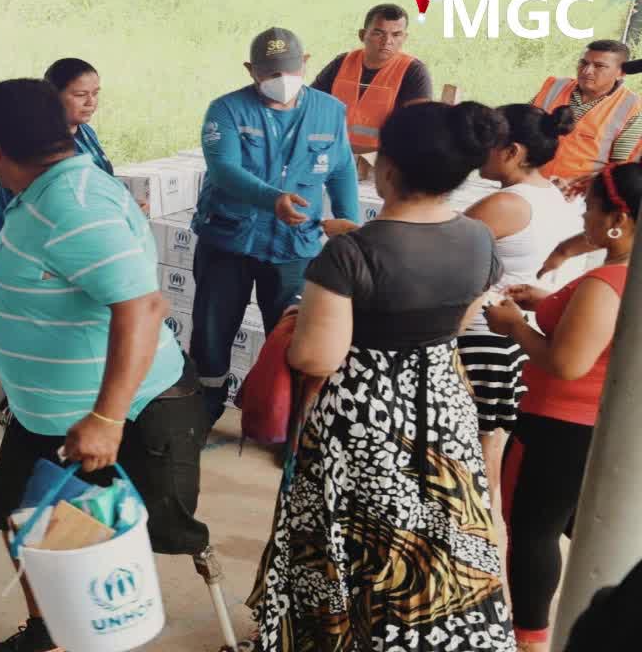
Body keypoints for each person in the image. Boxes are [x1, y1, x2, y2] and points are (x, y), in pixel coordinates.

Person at [250, 101, 515, 651]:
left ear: (387, 167)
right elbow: (461, 319)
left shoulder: (350, 254)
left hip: (364, 418)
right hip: (443, 403)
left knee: (351, 538)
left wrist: (299, 316)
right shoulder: (479, 240)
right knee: (434, 533)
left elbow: (318, 358)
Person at [0, 79, 208, 652]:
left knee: (112, 539)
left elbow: (144, 306)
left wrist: (108, 418)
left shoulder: (72, 204)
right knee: (20, 515)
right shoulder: (48, 192)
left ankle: (96, 634)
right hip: (49, 415)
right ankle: (50, 632)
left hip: (110, 412)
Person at [484, 164, 639, 652]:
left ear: (618, 218)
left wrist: (514, 326)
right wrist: (551, 301)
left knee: (532, 531)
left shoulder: (607, 281)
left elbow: (569, 362)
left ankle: (529, 637)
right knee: (571, 521)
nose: (583, 216)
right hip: (597, 427)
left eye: (589, 208)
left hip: (558, 425)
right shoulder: (624, 275)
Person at [192, 27, 359, 425]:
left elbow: (341, 169)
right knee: (212, 334)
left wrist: (350, 224)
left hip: (293, 245)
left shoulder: (329, 110)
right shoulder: (227, 110)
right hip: (228, 240)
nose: (280, 81)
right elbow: (224, 169)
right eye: (268, 73)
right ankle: (202, 412)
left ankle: (286, 425)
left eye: (287, 70)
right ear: (251, 70)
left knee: (291, 337)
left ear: (305, 64)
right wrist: (273, 199)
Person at [459, 104, 581, 525]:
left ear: (511, 151)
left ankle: (474, 551)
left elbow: (436, 248)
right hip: (510, 341)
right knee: (488, 458)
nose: (478, 151)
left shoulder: (506, 204)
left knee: (467, 462)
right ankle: (487, 551)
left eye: (487, 143)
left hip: (478, 340)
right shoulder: (555, 196)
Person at [0, 57, 113, 256]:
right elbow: (52, 210)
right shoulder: (35, 144)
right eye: (81, 95)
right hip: (32, 259)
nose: (91, 102)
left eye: (96, 93)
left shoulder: (85, 132)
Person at [311, 3, 434, 153]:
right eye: (378, 33)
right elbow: (310, 105)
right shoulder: (342, 62)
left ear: (404, 37)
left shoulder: (414, 71)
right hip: (331, 153)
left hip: (382, 159)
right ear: (362, 35)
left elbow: (419, 128)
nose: (387, 41)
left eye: (396, 35)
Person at [532, 40, 642, 192]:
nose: (586, 71)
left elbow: (618, 169)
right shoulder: (555, 86)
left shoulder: (632, 106)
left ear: (620, 73)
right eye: (583, 63)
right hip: (528, 183)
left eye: (599, 66)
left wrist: (576, 184)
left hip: (578, 197)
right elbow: (521, 127)